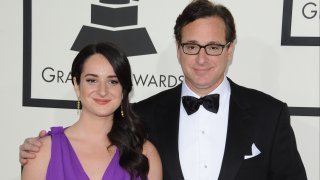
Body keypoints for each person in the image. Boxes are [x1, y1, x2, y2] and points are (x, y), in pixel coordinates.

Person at [20, 0, 307, 179]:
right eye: (192, 46)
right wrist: (36, 149)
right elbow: (90, 145)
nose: (202, 58)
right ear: (179, 50)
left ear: (230, 50)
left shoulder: (270, 115)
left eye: (214, 47)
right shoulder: (143, 116)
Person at [21, 42, 162, 180]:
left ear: (123, 90)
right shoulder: (43, 151)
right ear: (77, 85)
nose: (102, 91)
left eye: (112, 82)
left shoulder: (144, 154)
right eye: (92, 80)